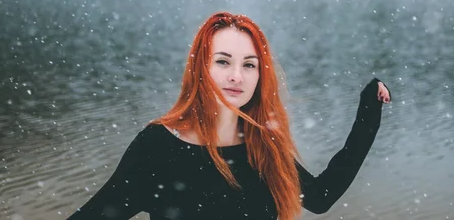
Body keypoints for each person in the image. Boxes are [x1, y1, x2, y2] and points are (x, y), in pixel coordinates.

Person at [67, 11, 392, 220]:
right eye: (223, 62)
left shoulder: (260, 143)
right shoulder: (159, 145)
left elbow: (320, 198)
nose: (237, 76)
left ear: (259, 76)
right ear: (201, 69)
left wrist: (368, 114)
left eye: (248, 64)